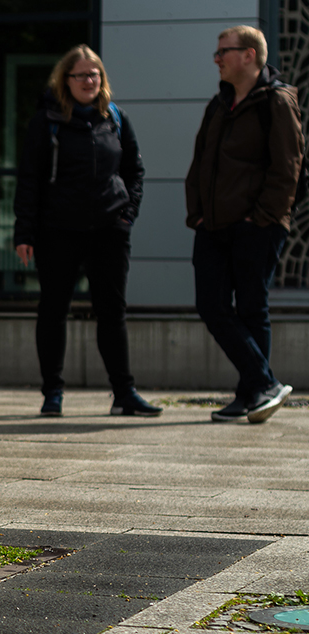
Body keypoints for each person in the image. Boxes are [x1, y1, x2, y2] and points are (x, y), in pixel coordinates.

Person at [13, 44, 161, 418]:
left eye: (94, 75)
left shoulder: (115, 118)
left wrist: (126, 216)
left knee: (112, 311)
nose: (89, 81)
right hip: (57, 230)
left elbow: (135, 172)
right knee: (53, 310)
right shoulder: (45, 120)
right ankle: (53, 393)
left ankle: (124, 393)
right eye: (81, 75)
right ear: (65, 80)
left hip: (109, 229)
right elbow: (29, 179)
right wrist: (25, 232)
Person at [185, 25, 302, 424]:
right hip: (213, 225)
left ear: (249, 55)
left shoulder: (276, 102)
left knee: (252, 307)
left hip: (257, 225)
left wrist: (263, 218)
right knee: (212, 305)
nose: (216, 59)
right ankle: (263, 384)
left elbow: (288, 168)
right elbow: (200, 163)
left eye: (223, 52)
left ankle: (250, 392)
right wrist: (196, 213)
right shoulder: (218, 104)